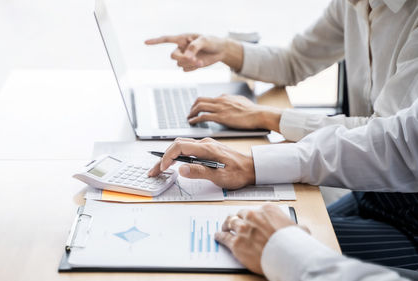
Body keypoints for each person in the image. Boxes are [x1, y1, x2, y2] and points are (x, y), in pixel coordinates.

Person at [146, 0, 418, 269]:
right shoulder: (354, 3)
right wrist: (226, 50)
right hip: (369, 192)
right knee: (242, 234)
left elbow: (386, 135)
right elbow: (296, 60)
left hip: (409, 219)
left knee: (247, 247)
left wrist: (265, 117)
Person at [148, 97, 418, 279]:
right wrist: (251, 165)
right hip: (379, 196)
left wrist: (287, 253)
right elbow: (401, 142)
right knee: (273, 224)